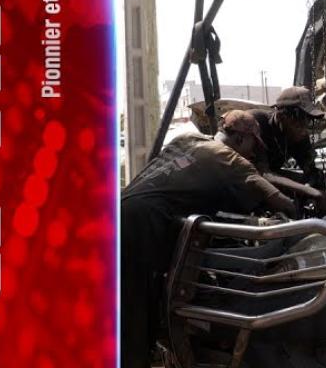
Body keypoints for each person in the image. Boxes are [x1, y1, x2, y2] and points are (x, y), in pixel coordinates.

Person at [120, 110, 297, 368]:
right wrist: (310, 204)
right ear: (239, 139)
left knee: (125, 304)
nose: (254, 153)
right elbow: (280, 201)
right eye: (252, 145)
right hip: (142, 226)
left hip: (117, 211)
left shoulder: (188, 140)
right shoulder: (232, 159)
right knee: (134, 312)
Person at [251, 87, 326, 190]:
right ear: (281, 117)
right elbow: (263, 174)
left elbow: (310, 169)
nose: (304, 130)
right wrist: (308, 191)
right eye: (299, 123)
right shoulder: (256, 123)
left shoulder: (300, 134)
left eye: (308, 121)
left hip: (270, 177)